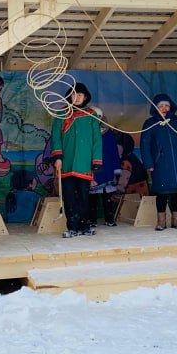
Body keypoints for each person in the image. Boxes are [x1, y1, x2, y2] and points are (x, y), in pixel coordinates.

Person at [51, 82, 102, 238]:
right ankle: (72, 227)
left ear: (85, 97)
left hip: (84, 163)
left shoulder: (91, 115)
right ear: (69, 96)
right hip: (66, 162)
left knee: (84, 196)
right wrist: (58, 157)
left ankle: (85, 226)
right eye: (74, 94)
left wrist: (96, 160)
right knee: (69, 197)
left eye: (80, 94)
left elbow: (96, 140)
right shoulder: (61, 114)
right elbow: (56, 138)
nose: (77, 97)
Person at [140, 94, 177, 231]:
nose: (164, 108)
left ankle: (176, 221)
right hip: (160, 163)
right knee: (161, 192)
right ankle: (161, 221)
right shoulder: (150, 123)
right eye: (161, 106)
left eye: (166, 105)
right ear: (156, 108)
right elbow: (145, 145)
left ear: (171, 106)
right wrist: (149, 163)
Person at [88, 107, 121, 227]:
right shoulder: (86, 133)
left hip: (107, 168)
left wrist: (116, 169)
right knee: (92, 198)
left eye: (98, 116)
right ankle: (92, 220)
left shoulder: (109, 134)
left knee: (108, 197)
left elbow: (114, 153)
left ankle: (109, 218)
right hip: (93, 170)